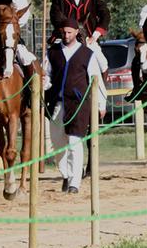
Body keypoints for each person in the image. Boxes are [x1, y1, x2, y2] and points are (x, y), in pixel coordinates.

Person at [42, 18, 107, 194]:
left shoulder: (87, 53)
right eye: (63, 32)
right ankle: (66, 174)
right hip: (57, 102)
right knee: (58, 142)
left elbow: (96, 80)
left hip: (78, 104)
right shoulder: (53, 52)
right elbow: (47, 74)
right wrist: (44, 82)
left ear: (77, 32)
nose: (66, 35)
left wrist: (101, 103)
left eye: (69, 32)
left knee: (74, 141)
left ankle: (74, 182)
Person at [49, 0, 111, 75]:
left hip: (88, 37)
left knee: (103, 64)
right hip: (64, 36)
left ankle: (101, 91)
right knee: (48, 61)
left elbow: (105, 14)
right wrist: (68, 30)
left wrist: (96, 35)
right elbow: (55, 16)